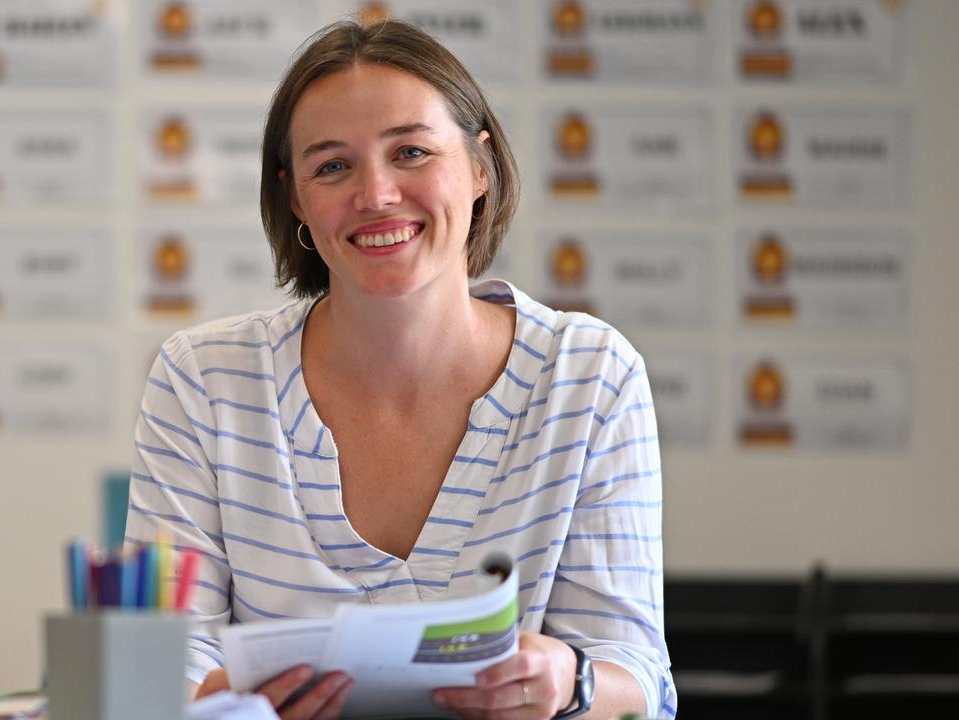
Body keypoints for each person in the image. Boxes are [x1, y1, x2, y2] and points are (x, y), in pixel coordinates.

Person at [127, 18, 675, 720]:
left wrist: (571, 682)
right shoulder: (203, 380)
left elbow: (639, 682)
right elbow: (161, 665)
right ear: (295, 199)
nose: (376, 194)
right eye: (332, 166)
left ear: (481, 169)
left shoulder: (590, 375)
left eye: (410, 152)